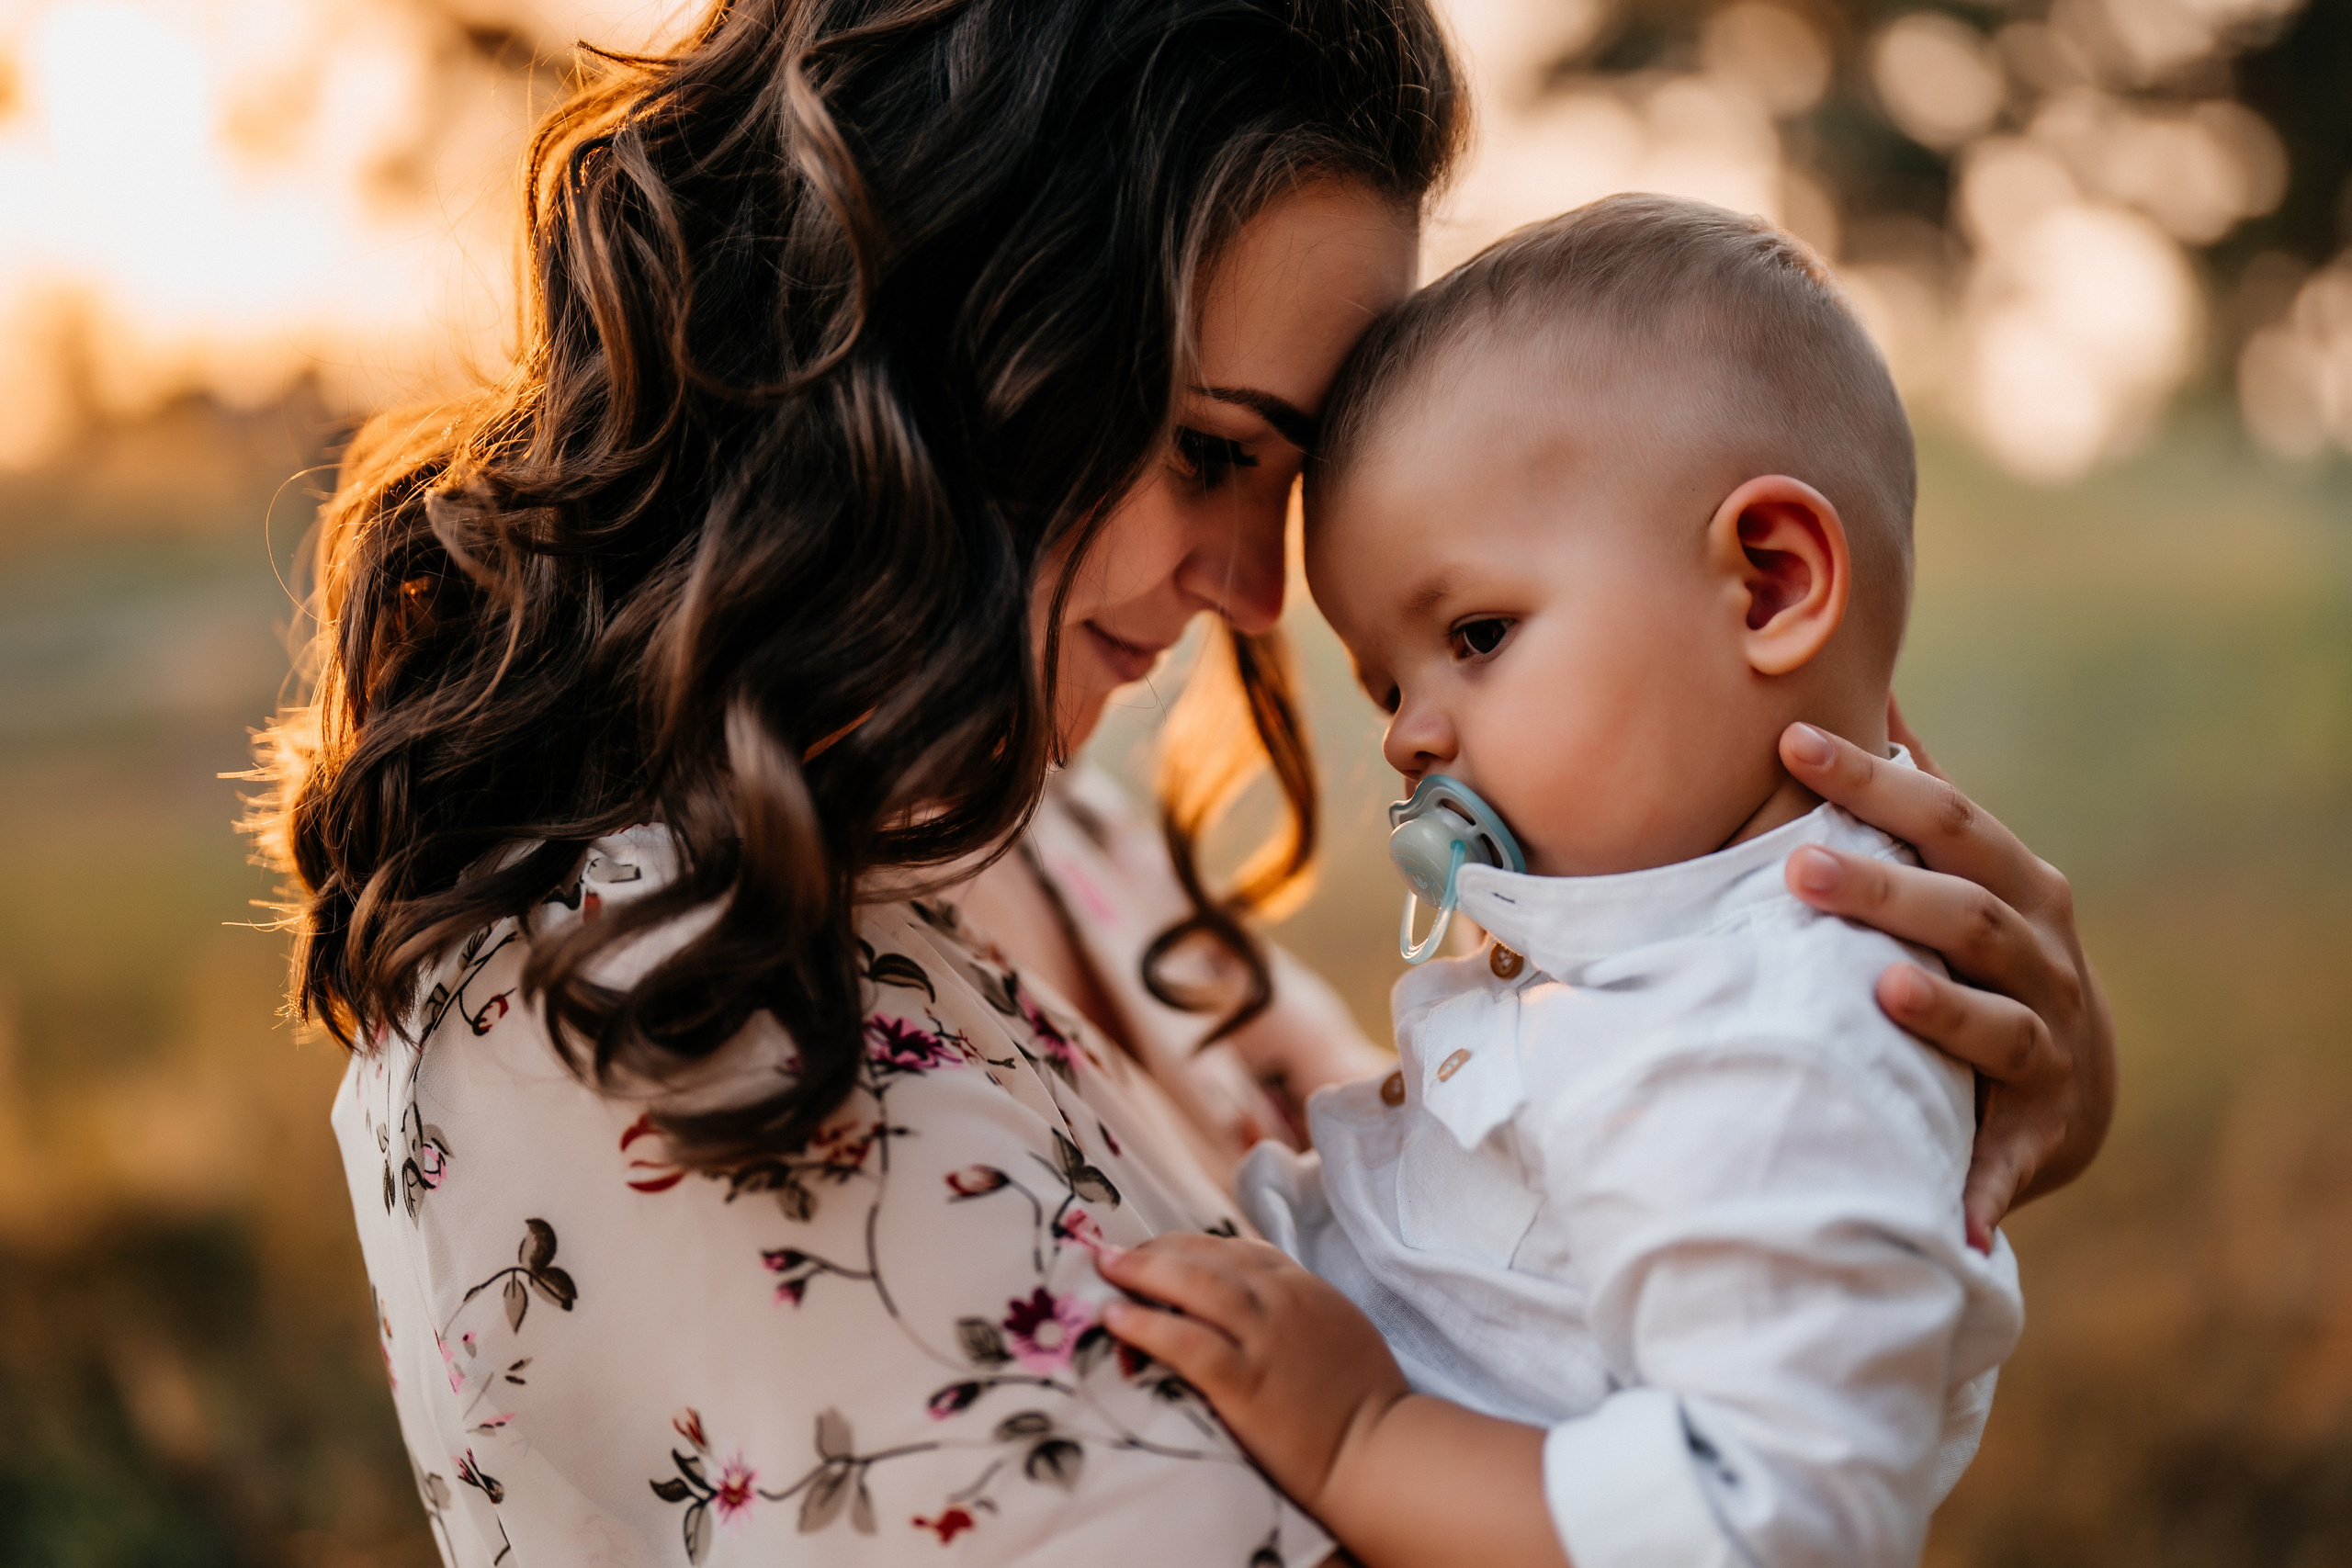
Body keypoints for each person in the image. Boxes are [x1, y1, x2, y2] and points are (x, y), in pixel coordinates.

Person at [254, 5, 2115, 1565]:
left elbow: (1561, 1310)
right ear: (935, 328)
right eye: (1205, 449)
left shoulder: (1061, 837)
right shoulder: (643, 985)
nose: (1246, 596)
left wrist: (1902, 1112)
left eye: (1278, 489)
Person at [1097, 196, 2046, 1568]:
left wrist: (1363, 1436)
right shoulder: (1660, 954)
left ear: (1771, 586)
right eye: (1385, 682)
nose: (1411, 737)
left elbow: (1774, 1521)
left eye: (1477, 634)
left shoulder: (1780, 1039)